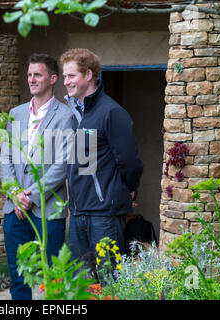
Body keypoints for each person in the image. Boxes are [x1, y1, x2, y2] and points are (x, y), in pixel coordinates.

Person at [60, 48, 143, 274]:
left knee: (109, 283)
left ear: (88, 75)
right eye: (65, 76)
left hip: (104, 214)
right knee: (81, 285)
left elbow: (130, 161)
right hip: (77, 213)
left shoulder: (112, 112)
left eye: (71, 76)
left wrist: (129, 189)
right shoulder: (75, 114)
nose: (66, 81)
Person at [0, 53, 74, 300]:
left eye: (37, 74)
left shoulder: (66, 116)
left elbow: (62, 164)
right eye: (30, 74)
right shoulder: (16, 113)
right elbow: (6, 158)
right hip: (14, 208)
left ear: (53, 79)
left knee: (52, 275)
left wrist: (31, 196)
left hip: (48, 208)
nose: (31, 79)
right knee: (18, 275)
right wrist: (14, 193)